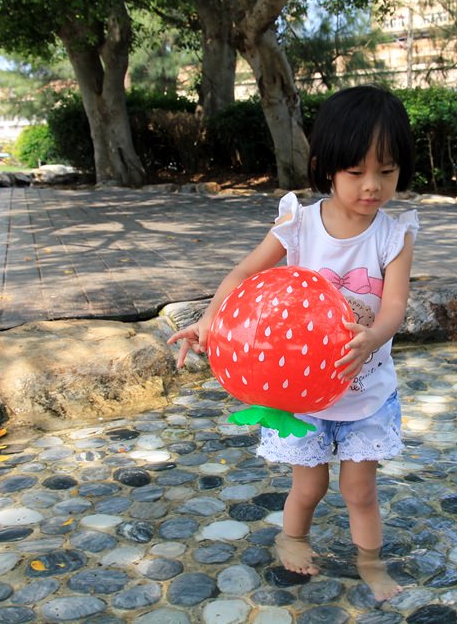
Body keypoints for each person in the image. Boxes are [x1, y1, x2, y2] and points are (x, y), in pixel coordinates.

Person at [168, 85, 417, 601]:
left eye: (386, 171)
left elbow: (394, 306)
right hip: (298, 392)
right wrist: (210, 320)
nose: (371, 186)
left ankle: (370, 562)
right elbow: (243, 274)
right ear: (327, 166)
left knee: (359, 490)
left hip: (364, 391)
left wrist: (371, 337)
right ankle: (293, 536)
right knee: (309, 485)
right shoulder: (299, 225)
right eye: (356, 173)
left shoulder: (393, 235)